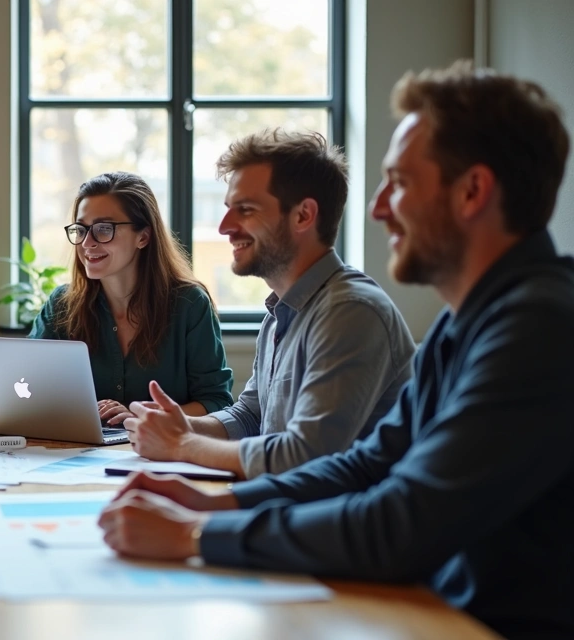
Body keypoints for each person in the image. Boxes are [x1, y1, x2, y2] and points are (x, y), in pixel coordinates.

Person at [99, 61, 574, 640]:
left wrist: (193, 536)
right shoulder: (469, 323)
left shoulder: (538, 327)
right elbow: (369, 462)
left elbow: (400, 521)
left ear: (473, 190)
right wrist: (212, 507)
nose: (378, 208)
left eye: (399, 181)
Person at [124, 132, 415, 479]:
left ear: (304, 215)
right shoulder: (281, 312)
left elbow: (306, 454)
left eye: (245, 210)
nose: (225, 227)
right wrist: (179, 425)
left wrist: (182, 444)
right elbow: (251, 414)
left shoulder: (351, 312)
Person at [29, 171, 234, 425]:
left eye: (104, 229)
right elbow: (29, 385)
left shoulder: (189, 304)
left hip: (161, 456)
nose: (87, 242)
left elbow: (217, 401)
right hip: (77, 454)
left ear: (143, 237)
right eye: (81, 229)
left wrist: (144, 417)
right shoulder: (62, 304)